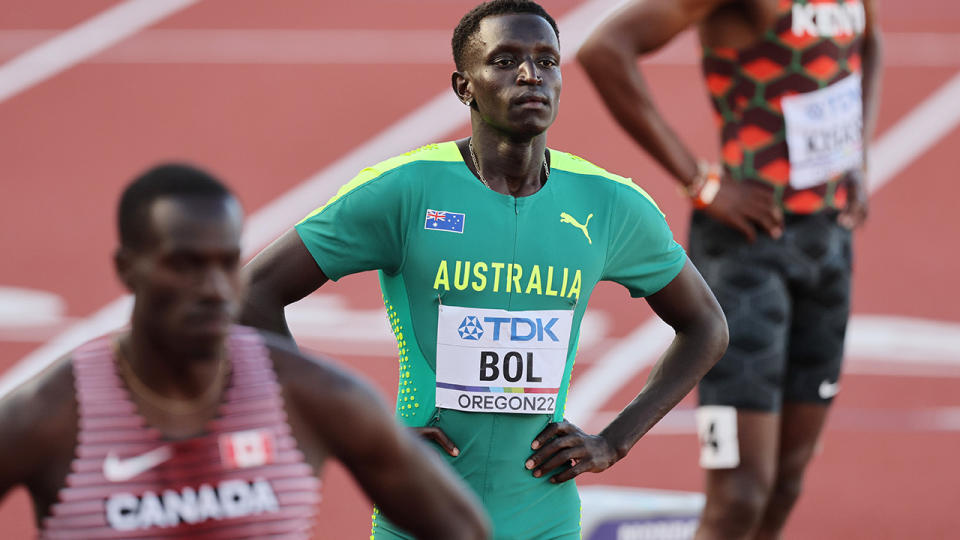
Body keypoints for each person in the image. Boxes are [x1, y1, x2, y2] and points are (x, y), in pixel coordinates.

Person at [241, 1, 728, 538]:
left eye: (547, 60)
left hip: (546, 517)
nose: (529, 75)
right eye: (505, 60)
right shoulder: (405, 191)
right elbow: (251, 293)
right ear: (463, 86)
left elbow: (706, 325)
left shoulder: (609, 204)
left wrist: (614, 441)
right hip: (423, 513)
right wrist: (345, 428)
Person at [0, 164, 489, 540]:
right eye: (184, 264)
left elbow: (464, 530)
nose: (213, 288)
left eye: (226, 263)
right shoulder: (50, 418)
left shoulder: (308, 397)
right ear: (128, 269)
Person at [577, 0, 882, 538]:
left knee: (787, 482)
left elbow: (871, 42)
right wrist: (701, 182)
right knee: (740, 496)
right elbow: (604, 49)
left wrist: (856, 154)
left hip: (828, 245)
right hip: (747, 255)